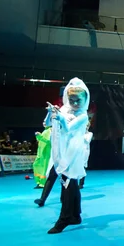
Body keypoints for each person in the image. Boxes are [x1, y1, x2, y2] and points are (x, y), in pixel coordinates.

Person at [46, 78, 91, 233]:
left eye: (78, 100)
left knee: (67, 185)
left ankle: (64, 219)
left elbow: (69, 128)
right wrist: (51, 113)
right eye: (71, 100)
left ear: (85, 99)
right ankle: (75, 215)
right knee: (71, 184)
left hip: (73, 152)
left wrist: (59, 117)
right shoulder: (64, 110)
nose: (75, 103)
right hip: (63, 150)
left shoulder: (83, 115)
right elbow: (47, 124)